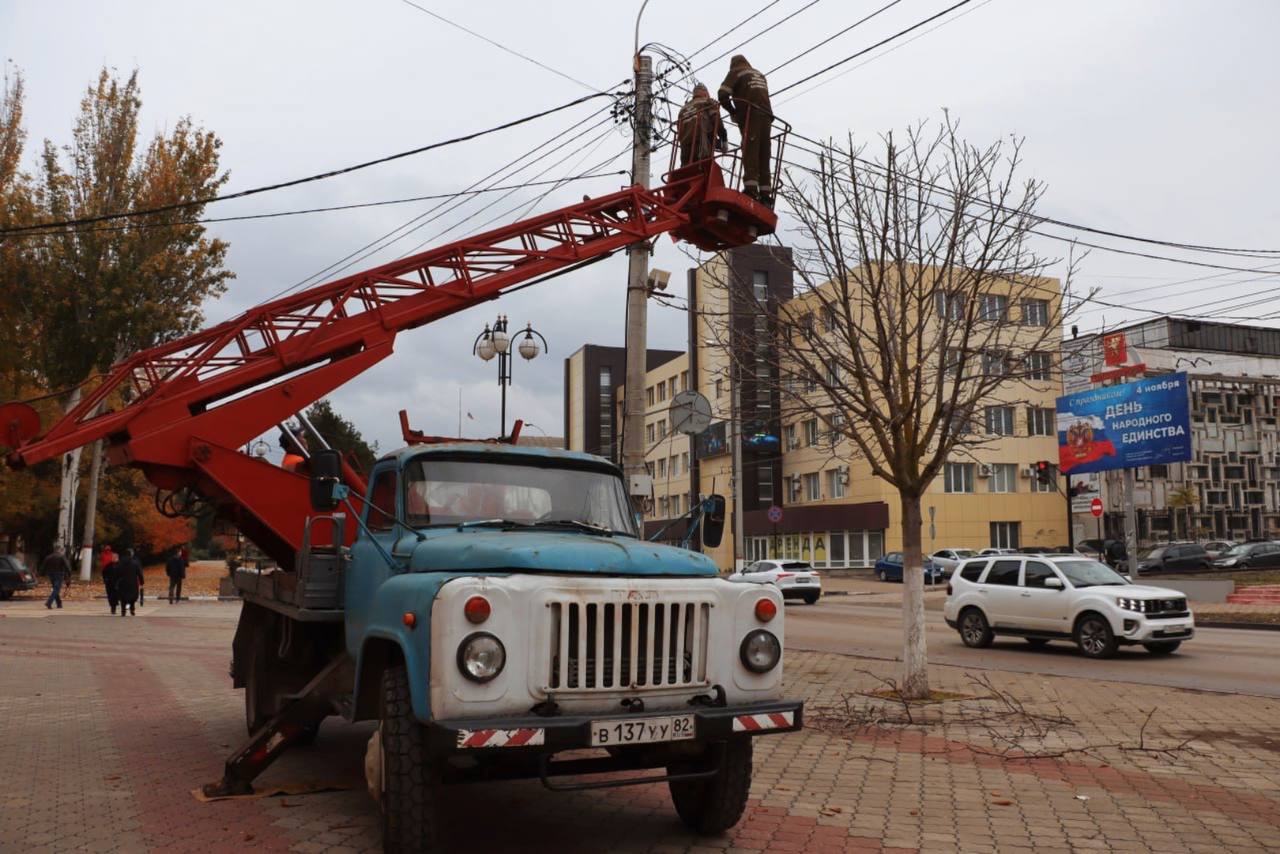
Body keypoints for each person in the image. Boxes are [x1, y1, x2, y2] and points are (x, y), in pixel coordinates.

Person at [717, 54, 773, 206]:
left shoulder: (736, 72)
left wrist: (732, 111)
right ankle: (766, 195)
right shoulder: (759, 74)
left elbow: (722, 94)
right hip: (767, 117)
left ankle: (751, 189)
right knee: (764, 153)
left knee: (750, 150)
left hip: (751, 115)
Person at [677, 83, 726, 166]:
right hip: (702, 148)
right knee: (707, 172)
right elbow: (716, 121)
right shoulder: (707, 102)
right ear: (705, 92)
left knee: (688, 174)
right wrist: (724, 140)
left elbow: (679, 130)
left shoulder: (682, 110)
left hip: (685, 151)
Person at [115, 548, 144, 617]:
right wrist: (141, 582)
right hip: (132, 582)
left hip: (123, 582)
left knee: (123, 597)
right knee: (132, 597)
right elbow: (139, 573)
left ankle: (123, 611)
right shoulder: (135, 563)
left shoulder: (120, 563)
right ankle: (132, 609)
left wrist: (117, 580)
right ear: (131, 555)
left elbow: (117, 573)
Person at [100, 544, 120, 613]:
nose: (114, 558)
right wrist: (105, 579)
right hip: (110, 583)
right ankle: (113, 607)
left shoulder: (120, 565)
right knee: (111, 596)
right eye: (113, 557)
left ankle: (118, 606)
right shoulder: (108, 565)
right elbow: (104, 572)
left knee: (117, 595)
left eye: (116, 557)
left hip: (118, 583)